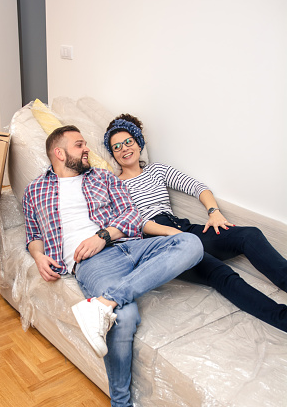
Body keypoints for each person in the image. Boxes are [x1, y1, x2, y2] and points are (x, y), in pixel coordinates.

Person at [22, 125, 204, 406]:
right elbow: (33, 235)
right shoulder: (35, 190)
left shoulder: (104, 177)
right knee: (126, 316)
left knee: (191, 244)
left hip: (129, 245)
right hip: (92, 264)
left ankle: (103, 303)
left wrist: (103, 235)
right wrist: (38, 256)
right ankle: (121, 402)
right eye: (79, 145)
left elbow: (131, 214)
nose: (87, 150)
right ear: (59, 153)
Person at [103, 113, 287, 332]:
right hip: (160, 243)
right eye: (117, 147)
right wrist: (174, 235)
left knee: (250, 235)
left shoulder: (157, 170)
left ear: (138, 143)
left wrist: (214, 212)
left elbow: (197, 187)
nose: (124, 149)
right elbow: (135, 223)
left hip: (184, 228)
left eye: (128, 142)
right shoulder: (114, 185)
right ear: (113, 155)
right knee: (221, 274)